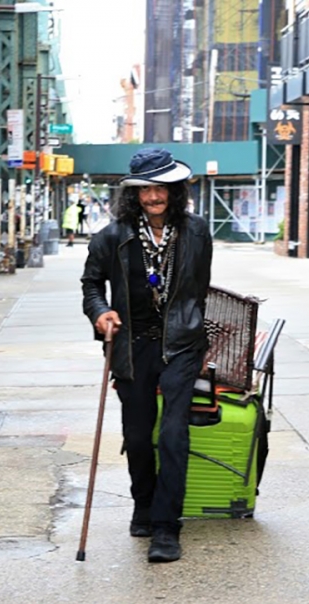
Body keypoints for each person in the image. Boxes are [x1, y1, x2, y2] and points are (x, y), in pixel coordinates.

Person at [81, 148, 212, 563]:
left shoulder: (196, 230)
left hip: (182, 344)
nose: (154, 197)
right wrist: (102, 314)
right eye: (144, 190)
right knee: (138, 436)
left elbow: (199, 288)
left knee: (174, 432)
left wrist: (196, 336)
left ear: (174, 191)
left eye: (161, 189)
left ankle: (166, 527)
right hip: (133, 345)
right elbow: (91, 286)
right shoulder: (111, 236)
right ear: (133, 194)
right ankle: (143, 504)